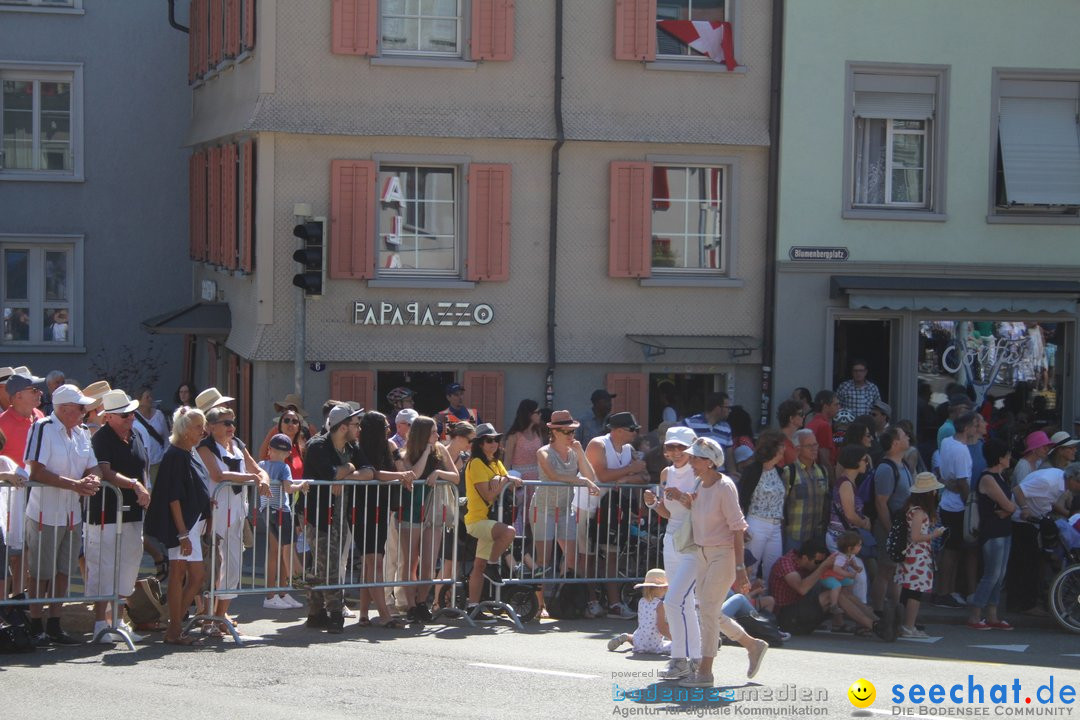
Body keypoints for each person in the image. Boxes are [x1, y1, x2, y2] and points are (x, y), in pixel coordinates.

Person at [677, 437, 768, 689]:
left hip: (723, 554)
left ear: (709, 462)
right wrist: (681, 499)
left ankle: (705, 672)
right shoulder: (699, 482)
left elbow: (737, 529)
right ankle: (752, 644)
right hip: (703, 553)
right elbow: (698, 509)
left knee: (707, 609)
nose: (691, 461)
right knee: (709, 610)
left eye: (695, 458)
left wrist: (741, 569)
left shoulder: (725, 486)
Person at [24, 383, 102, 645]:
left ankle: (55, 624)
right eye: (80, 408)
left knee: (63, 571)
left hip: (71, 513)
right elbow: (36, 472)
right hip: (44, 512)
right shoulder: (43, 428)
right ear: (64, 409)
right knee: (40, 571)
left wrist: (92, 479)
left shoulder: (81, 433)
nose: (84, 412)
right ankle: (36, 624)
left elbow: (94, 466)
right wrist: (76, 484)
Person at [196, 405, 270, 634]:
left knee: (233, 564)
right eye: (225, 423)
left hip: (237, 512)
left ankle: (220, 615)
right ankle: (206, 616)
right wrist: (252, 478)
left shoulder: (237, 444)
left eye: (232, 422)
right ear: (211, 427)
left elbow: (257, 468)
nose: (231, 427)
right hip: (214, 513)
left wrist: (263, 478)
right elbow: (217, 475)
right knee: (212, 566)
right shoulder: (204, 447)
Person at [87, 390, 152, 643]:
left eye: (132, 413)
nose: (131, 418)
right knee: (104, 566)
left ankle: (119, 621)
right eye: (125, 415)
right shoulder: (102, 438)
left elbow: (142, 466)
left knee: (128, 566)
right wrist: (135, 485)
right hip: (105, 511)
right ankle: (100, 624)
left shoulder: (134, 434)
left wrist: (143, 489)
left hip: (132, 512)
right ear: (110, 417)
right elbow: (105, 471)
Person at [147, 407, 212, 646]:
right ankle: (174, 629)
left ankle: (174, 625)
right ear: (184, 431)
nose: (202, 431)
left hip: (193, 525)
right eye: (198, 427)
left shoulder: (190, 452)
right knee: (179, 573)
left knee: (196, 576)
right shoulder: (175, 454)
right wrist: (182, 533)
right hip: (182, 527)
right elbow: (173, 497)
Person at [642, 425, 700, 680]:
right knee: (683, 603)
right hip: (672, 538)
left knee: (675, 600)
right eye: (670, 447)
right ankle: (691, 660)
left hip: (694, 540)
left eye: (681, 447)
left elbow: (703, 509)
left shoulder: (699, 472)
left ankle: (684, 658)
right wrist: (654, 504)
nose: (675, 452)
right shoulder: (666, 473)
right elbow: (668, 512)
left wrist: (684, 497)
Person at [583, 411, 647, 619]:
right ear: (618, 430)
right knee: (588, 557)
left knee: (611, 554)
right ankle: (591, 601)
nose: (636, 433)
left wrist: (627, 478)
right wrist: (630, 471)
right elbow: (601, 475)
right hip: (585, 506)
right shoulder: (597, 444)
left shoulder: (629, 449)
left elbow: (644, 476)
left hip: (610, 507)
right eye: (632, 429)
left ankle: (614, 604)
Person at [356, 411, 416, 627]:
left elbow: (402, 469)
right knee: (374, 561)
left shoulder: (388, 447)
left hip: (383, 507)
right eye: (384, 426)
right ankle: (384, 614)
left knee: (371, 562)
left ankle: (363, 613)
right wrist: (400, 476)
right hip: (364, 507)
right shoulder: (359, 448)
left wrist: (402, 467)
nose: (388, 429)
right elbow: (375, 473)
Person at [397, 415, 458, 624]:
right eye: (433, 431)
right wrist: (425, 451)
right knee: (410, 560)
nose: (437, 435)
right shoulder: (405, 453)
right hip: (411, 510)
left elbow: (456, 476)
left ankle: (422, 602)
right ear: (422, 434)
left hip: (433, 511)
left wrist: (439, 472)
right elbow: (414, 473)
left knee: (429, 561)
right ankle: (411, 605)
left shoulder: (441, 450)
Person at [1008, 447, 1080, 614]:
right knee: (1026, 563)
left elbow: (1047, 500)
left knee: (1031, 563)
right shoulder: (1049, 480)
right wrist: (1025, 508)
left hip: (1036, 520)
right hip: (1023, 521)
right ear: (1072, 478)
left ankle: (1024, 602)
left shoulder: (1059, 480)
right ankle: (1024, 604)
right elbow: (1018, 490)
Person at [463, 423, 522, 623]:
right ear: (479, 443)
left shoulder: (495, 462)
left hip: (489, 520)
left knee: (478, 566)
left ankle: (473, 607)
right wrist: (505, 481)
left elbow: (507, 482)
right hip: (477, 520)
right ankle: (493, 564)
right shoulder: (476, 463)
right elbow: (488, 494)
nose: (494, 443)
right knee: (508, 532)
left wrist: (507, 480)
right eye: (489, 440)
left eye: (496, 439)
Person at [533, 410, 598, 579]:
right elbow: (554, 476)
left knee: (572, 559)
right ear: (554, 431)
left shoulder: (574, 451)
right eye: (567, 431)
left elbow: (590, 476)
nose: (571, 435)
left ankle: (564, 600)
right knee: (543, 562)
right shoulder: (543, 452)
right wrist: (582, 481)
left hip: (564, 509)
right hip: (543, 509)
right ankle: (540, 605)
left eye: (573, 431)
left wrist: (581, 452)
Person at [0, 371, 45, 592]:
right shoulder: (2, 423)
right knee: (10, 549)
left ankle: (18, 596)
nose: (40, 393)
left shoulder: (40, 417)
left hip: (34, 491)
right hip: (9, 496)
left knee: (28, 547)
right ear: (17, 396)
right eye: (34, 390)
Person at [966, 439, 1017, 631]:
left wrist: (1009, 510)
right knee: (991, 574)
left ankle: (992, 615)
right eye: (1007, 455)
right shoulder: (988, 478)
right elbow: (1009, 505)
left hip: (1003, 529)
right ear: (1000, 457)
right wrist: (1009, 510)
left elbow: (1009, 507)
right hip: (992, 531)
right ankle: (975, 615)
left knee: (1000, 574)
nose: (1010, 458)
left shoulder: (1001, 476)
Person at [933, 411, 979, 609]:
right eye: (975, 426)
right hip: (958, 506)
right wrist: (971, 504)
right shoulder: (961, 450)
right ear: (967, 428)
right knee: (951, 550)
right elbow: (962, 482)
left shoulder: (947, 443)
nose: (977, 430)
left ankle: (948, 591)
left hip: (947, 502)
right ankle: (943, 592)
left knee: (952, 549)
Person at [258, 433, 309, 610]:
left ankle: (282, 592)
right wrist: (301, 486)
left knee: (279, 551)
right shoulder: (284, 467)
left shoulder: (262, 465)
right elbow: (288, 488)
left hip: (266, 510)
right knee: (287, 549)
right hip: (281, 510)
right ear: (288, 453)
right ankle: (284, 588)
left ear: (269, 449)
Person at [895, 472, 947, 638]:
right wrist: (934, 535)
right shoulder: (919, 512)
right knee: (915, 593)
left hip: (912, 556)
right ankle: (908, 626)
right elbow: (916, 537)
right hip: (917, 556)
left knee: (908, 592)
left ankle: (904, 625)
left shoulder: (911, 507)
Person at [869, 426, 913, 613]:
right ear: (895, 443)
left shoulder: (905, 465)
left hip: (902, 526)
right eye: (904, 435)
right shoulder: (887, 468)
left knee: (896, 571)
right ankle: (878, 611)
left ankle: (895, 611)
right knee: (885, 570)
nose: (908, 437)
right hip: (890, 526)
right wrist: (891, 531)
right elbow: (881, 503)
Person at [737, 429, 788, 584]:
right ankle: (749, 604)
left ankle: (767, 603)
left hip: (775, 525)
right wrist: (741, 526)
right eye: (781, 445)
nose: (784, 449)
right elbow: (741, 499)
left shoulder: (780, 471)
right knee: (751, 569)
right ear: (773, 448)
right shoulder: (752, 470)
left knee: (773, 569)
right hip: (756, 523)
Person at [826, 445, 872, 603]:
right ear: (855, 461)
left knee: (850, 579)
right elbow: (850, 515)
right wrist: (864, 523)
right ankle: (862, 615)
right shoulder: (845, 484)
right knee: (860, 575)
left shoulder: (849, 482)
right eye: (865, 460)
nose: (867, 463)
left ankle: (847, 613)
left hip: (844, 539)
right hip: (839, 539)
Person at [781, 428, 830, 553]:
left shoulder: (822, 471)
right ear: (798, 449)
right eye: (809, 446)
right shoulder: (789, 472)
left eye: (815, 444)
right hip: (794, 535)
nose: (814, 449)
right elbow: (780, 505)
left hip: (816, 536)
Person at [606, 568, 671, 655]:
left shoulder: (642, 601)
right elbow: (661, 628)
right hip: (653, 645)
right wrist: (675, 639)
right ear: (661, 588)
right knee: (674, 645)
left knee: (641, 636)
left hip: (639, 641)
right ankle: (631, 638)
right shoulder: (660, 605)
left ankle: (628, 637)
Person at [503, 399, 544, 534]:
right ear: (528, 414)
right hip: (520, 482)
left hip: (536, 480)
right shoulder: (514, 436)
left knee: (536, 518)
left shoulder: (538, 433)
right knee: (519, 518)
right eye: (537, 412)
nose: (540, 415)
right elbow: (506, 463)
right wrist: (507, 484)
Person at [681, 392, 737, 477]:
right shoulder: (689, 423)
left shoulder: (726, 428)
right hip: (694, 475)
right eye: (727, 408)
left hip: (719, 477)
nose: (729, 411)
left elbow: (729, 455)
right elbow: (682, 450)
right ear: (718, 408)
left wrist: (732, 473)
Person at [821, 530, 862, 627]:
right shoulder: (840, 557)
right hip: (827, 576)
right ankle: (833, 605)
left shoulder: (850, 554)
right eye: (859, 545)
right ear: (850, 548)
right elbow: (836, 569)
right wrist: (849, 574)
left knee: (850, 582)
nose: (860, 547)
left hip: (836, 575)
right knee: (836, 585)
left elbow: (851, 562)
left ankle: (847, 596)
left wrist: (855, 567)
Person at [133, 387, 170, 486]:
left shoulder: (159, 415)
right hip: (143, 463)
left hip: (159, 461)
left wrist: (166, 456)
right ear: (139, 401)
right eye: (147, 397)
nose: (150, 399)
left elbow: (167, 437)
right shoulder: (133, 417)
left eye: (151, 396)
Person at [807, 390, 840, 472]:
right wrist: (833, 481)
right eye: (835, 404)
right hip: (821, 475)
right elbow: (824, 459)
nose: (839, 407)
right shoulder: (824, 426)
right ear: (825, 407)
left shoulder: (811, 423)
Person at [776, 400, 804, 466]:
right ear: (791, 418)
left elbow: (801, 465)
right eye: (801, 414)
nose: (803, 416)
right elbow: (780, 470)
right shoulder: (778, 442)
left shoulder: (798, 439)